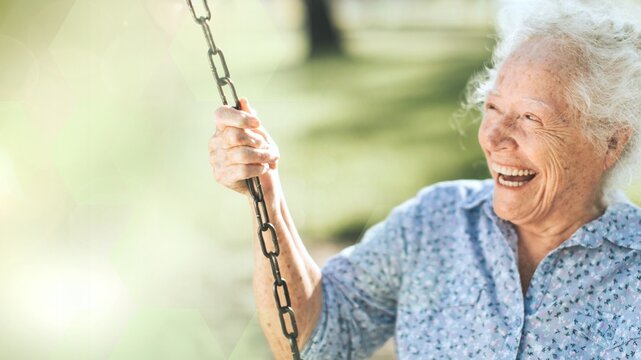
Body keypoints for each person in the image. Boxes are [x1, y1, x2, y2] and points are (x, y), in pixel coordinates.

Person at [208, 0, 641, 358]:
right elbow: (312, 341)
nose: (493, 137)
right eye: (492, 109)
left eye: (531, 117)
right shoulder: (434, 223)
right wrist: (266, 195)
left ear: (609, 143)